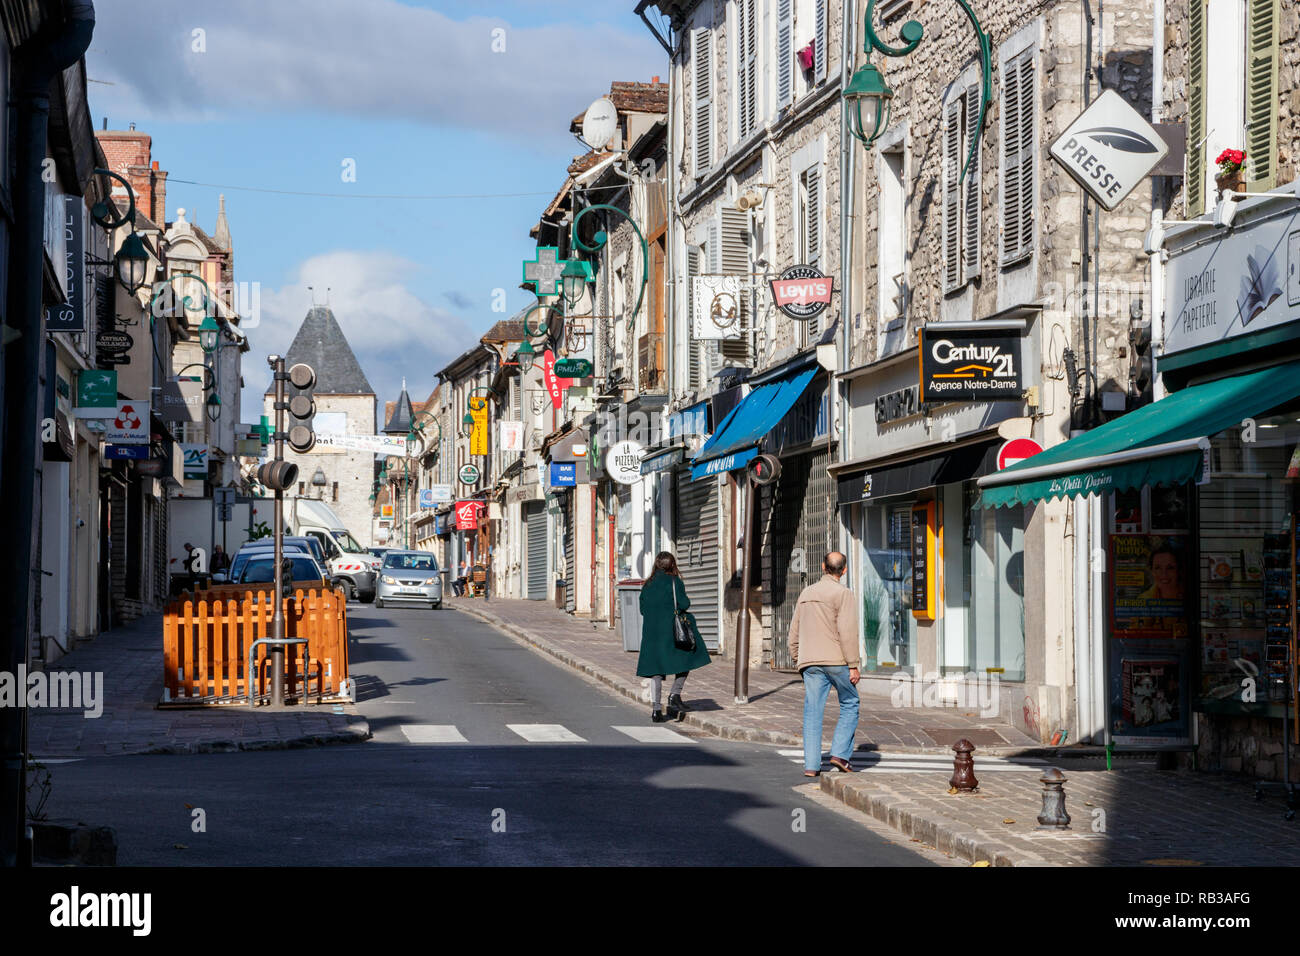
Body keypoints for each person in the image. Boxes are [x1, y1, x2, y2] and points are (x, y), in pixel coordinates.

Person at [790, 551, 860, 777]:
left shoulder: (807, 592)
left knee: (812, 711)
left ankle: (811, 765)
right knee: (850, 702)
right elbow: (847, 632)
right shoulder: (844, 593)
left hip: (810, 662)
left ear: (822, 567)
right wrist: (853, 664)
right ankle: (839, 754)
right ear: (845, 570)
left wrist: (797, 658)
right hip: (836, 660)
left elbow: (794, 630)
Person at [636, 552, 711, 722]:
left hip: (651, 634)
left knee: (656, 670)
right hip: (671, 632)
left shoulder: (647, 584)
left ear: (656, 564)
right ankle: (675, 694)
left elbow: (642, 610)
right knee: (688, 657)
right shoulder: (674, 581)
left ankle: (656, 710)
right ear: (672, 565)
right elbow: (684, 603)